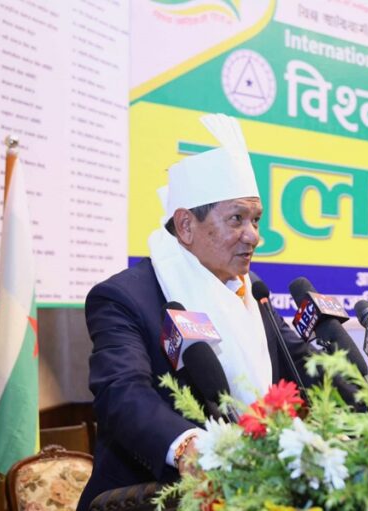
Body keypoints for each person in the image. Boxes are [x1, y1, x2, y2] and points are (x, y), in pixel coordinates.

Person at [76, 114, 320, 511]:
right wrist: (187, 446)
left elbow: (302, 361)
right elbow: (122, 392)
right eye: (237, 219)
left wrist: (359, 385)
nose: (254, 236)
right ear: (186, 225)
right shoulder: (125, 297)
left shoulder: (251, 291)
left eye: (256, 220)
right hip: (147, 498)